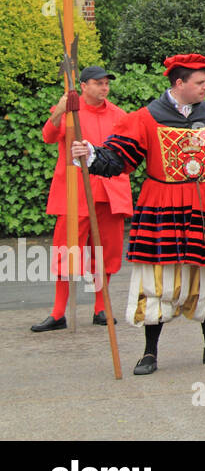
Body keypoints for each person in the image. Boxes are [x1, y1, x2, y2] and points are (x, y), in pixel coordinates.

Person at [71, 54, 205, 376]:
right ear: (179, 83)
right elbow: (118, 160)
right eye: (199, 82)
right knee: (159, 276)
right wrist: (91, 155)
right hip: (163, 203)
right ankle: (149, 353)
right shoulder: (146, 117)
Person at [31, 66, 133, 332]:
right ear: (84, 85)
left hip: (109, 192)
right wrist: (60, 110)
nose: (104, 88)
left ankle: (102, 307)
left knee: (107, 254)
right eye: (99, 83)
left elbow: (129, 154)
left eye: (106, 84)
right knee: (67, 251)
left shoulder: (119, 115)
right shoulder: (70, 112)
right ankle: (58, 312)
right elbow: (48, 136)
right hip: (75, 192)